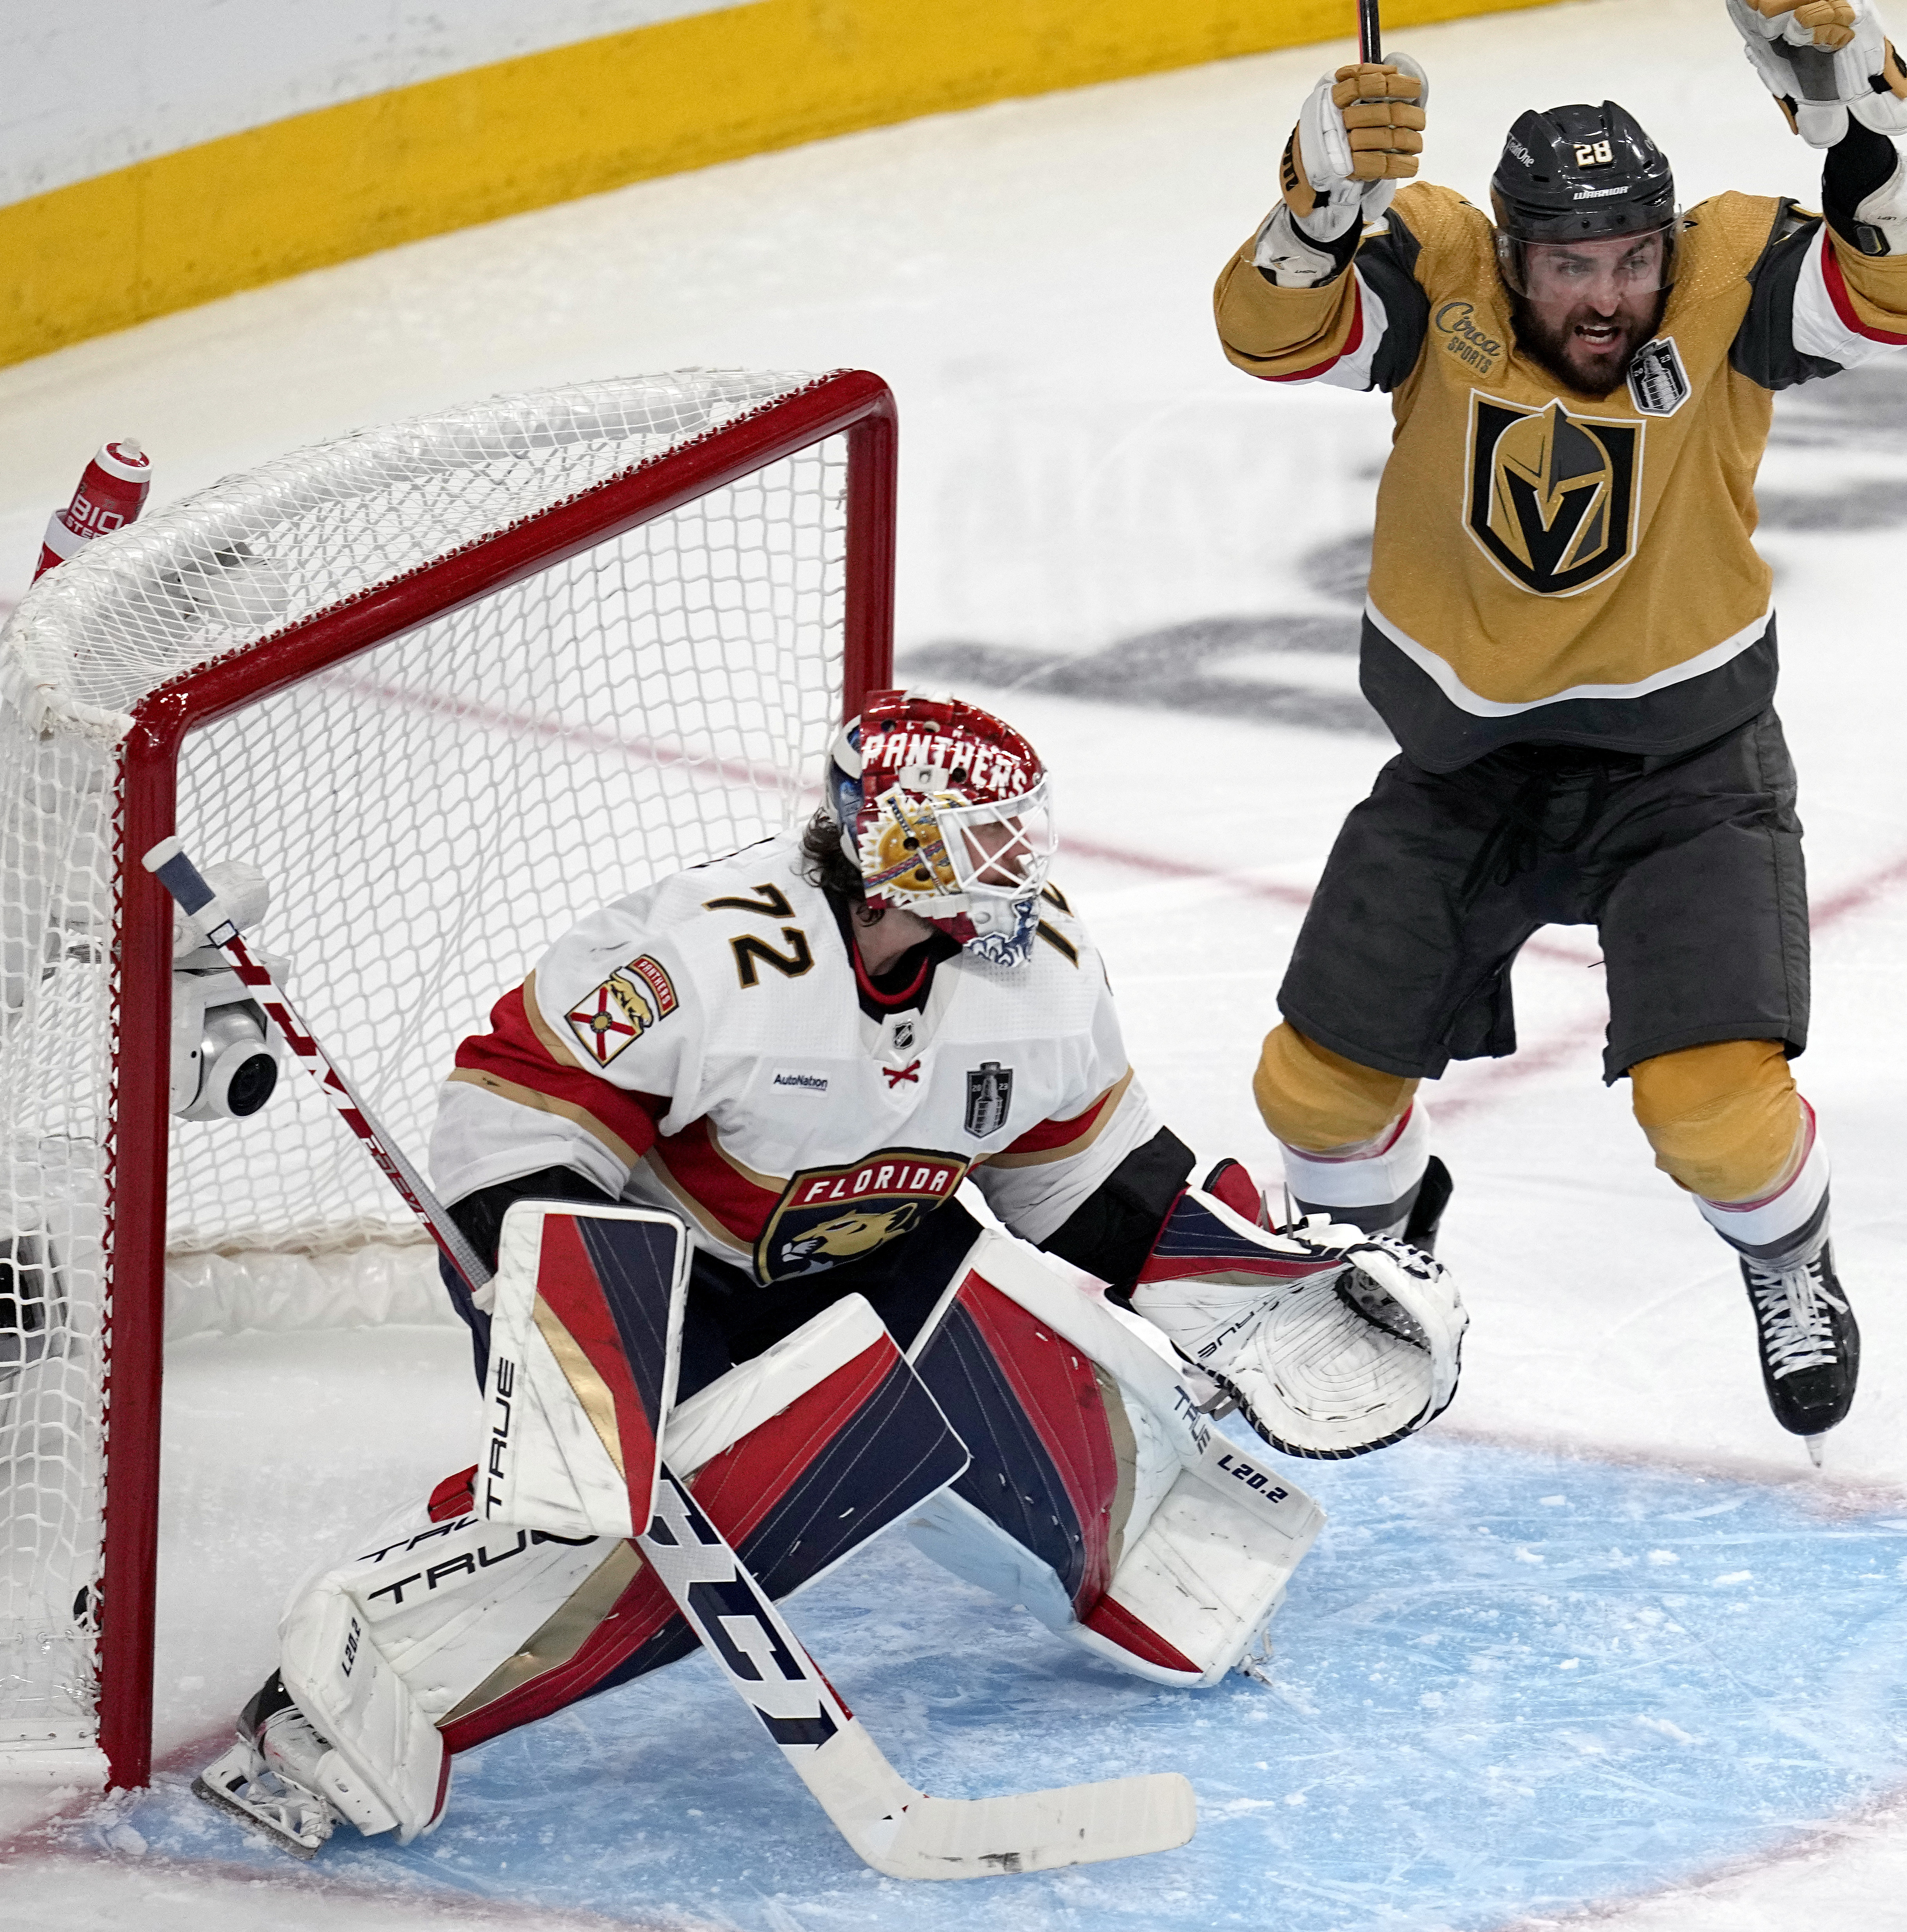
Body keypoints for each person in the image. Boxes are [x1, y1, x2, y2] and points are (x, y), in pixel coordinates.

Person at [192, 691, 1467, 1855]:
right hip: (653, 1275)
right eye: (987, 845)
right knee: (755, 1488)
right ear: (902, 847)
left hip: (865, 1258)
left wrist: (1251, 1282)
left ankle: (1137, 1533)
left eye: (1023, 840)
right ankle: (365, 1682)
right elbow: (519, 1111)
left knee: (1012, 1371)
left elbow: (1091, 1186)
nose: (1021, 872)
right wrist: (582, 1340)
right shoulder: (710, 949)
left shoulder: (1042, 975)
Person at [1208, 0, 1907, 1453]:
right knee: (1309, 1094)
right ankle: (1378, 1264)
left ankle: (1788, 1262)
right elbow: (1271, 336)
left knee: (1717, 1118)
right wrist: (1310, 218)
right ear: (1512, 253)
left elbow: (1903, 295)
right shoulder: (1437, 270)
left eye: (1631, 259)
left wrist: (1855, 133)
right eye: (1571, 265)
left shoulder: (1726, 280)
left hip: (1684, 765)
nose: (1607, 297)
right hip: (1465, 766)